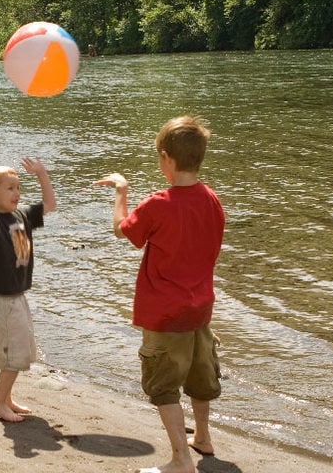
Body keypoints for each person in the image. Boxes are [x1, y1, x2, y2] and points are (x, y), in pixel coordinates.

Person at [94, 116, 225, 473]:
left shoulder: (158, 203)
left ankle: (182, 460)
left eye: (158, 158)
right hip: (200, 308)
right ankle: (203, 437)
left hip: (165, 313)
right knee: (201, 376)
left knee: (163, 385)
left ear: (166, 158)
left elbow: (123, 231)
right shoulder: (211, 198)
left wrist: (121, 190)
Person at [0, 157, 55, 422]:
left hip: (17, 296)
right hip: (2, 299)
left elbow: (49, 205)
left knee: (19, 350)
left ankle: (5, 397)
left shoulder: (21, 216)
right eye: (9, 188)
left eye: (18, 187)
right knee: (13, 353)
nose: (17, 193)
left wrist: (42, 173)